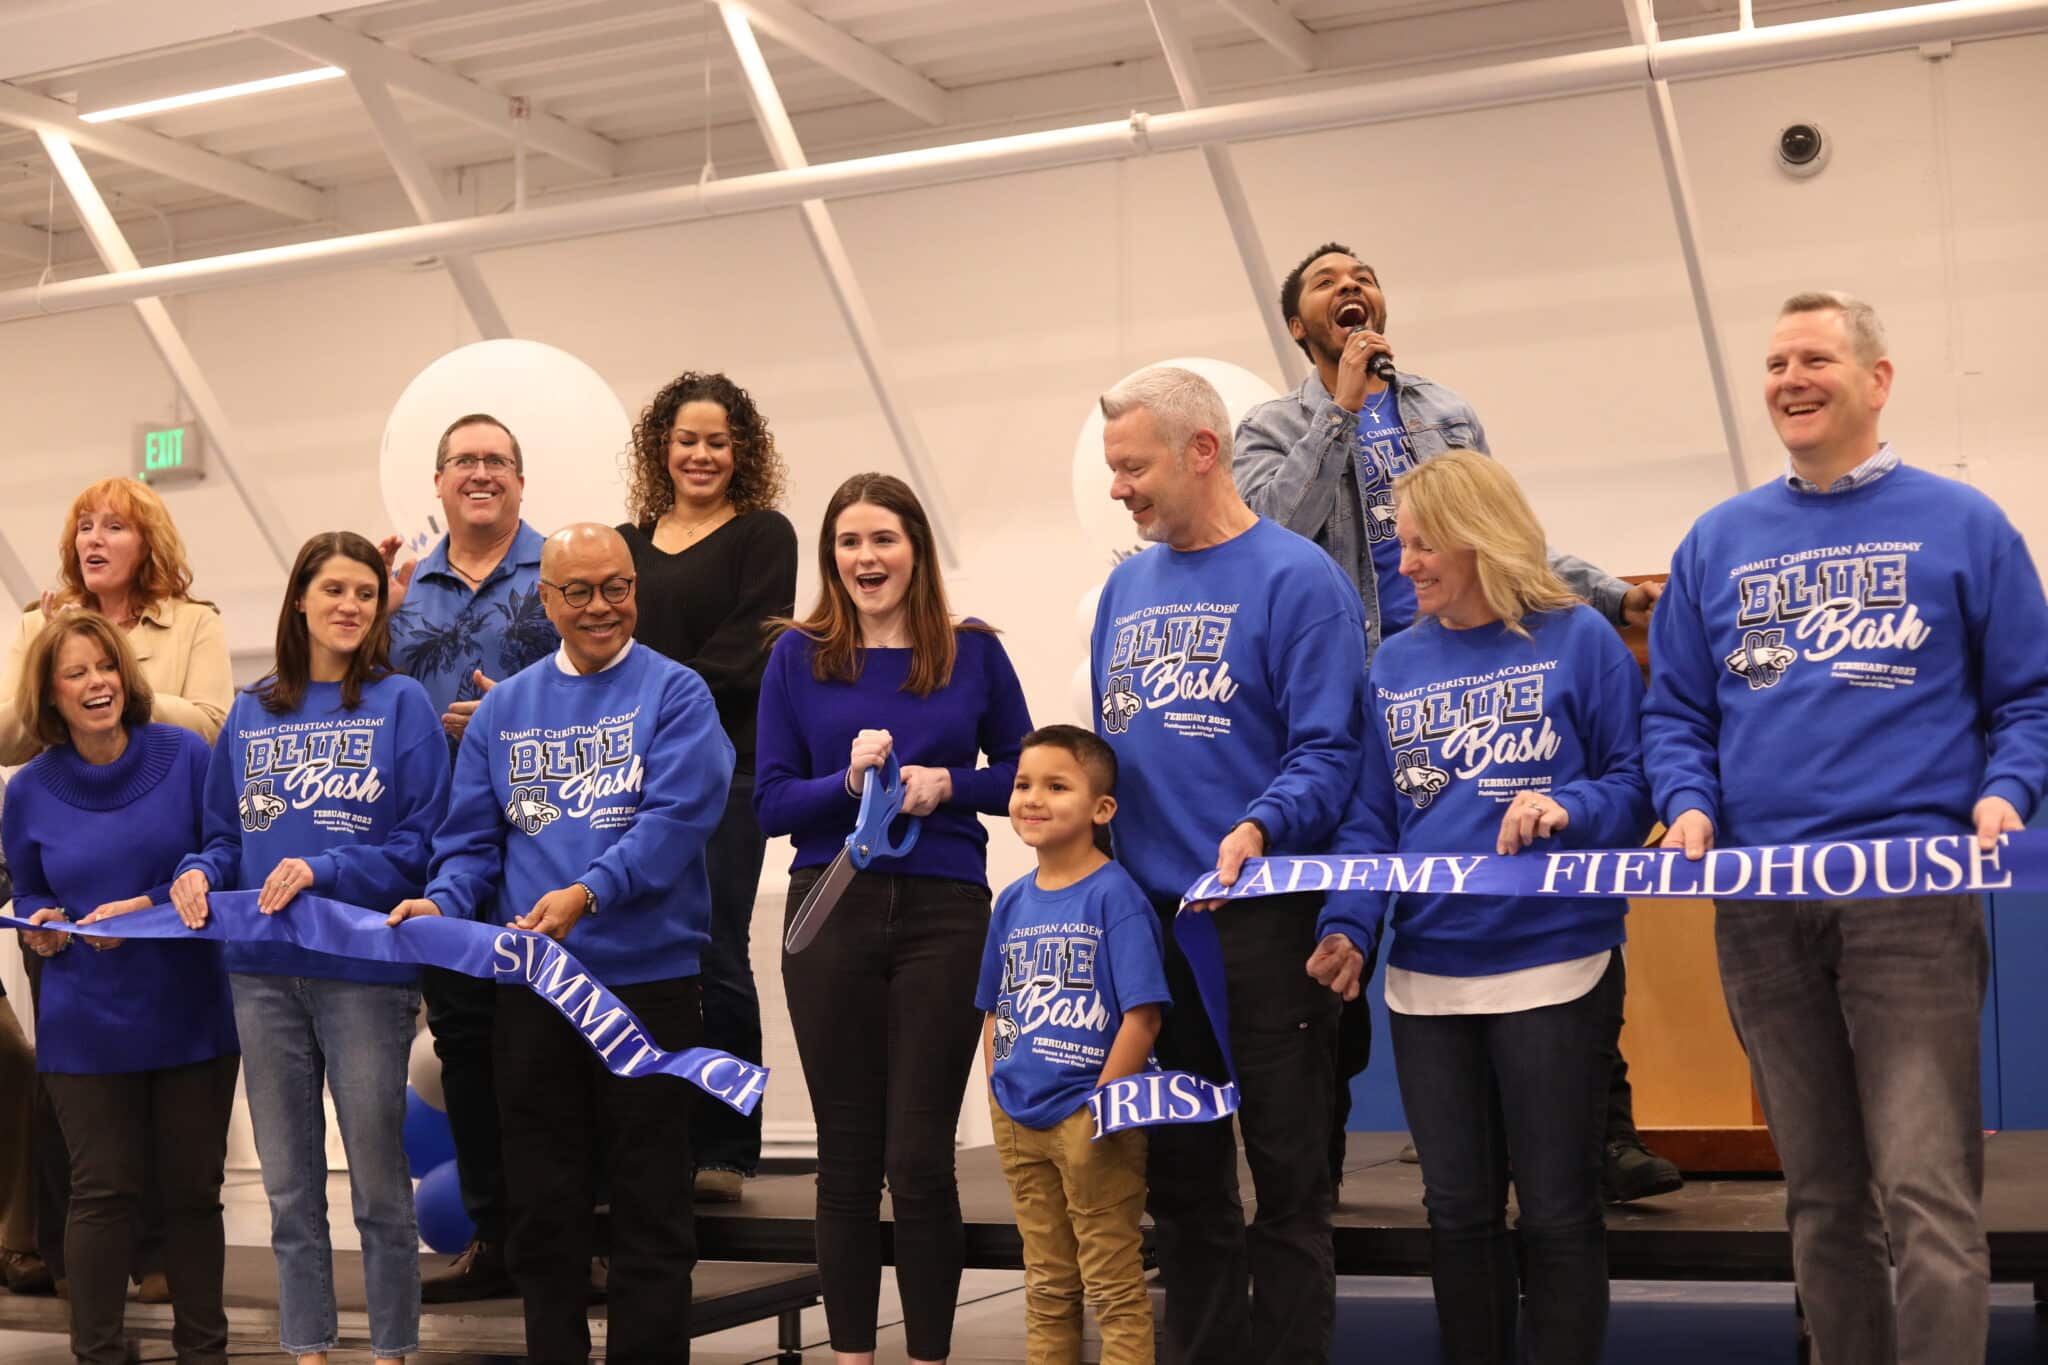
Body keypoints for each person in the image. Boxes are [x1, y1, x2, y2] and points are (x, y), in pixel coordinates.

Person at [1643, 291, 2048, 1365]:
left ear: (1876, 380)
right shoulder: (1714, 542)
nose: (1788, 379)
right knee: (1819, 1200)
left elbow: (2026, 697)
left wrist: (2006, 790)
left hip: (1911, 905)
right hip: (1759, 909)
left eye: (1814, 358)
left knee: (1926, 1195)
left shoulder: (1964, 524)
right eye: (1774, 362)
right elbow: (1676, 711)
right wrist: (1685, 804)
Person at [1234, 243, 1677, 1203]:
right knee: (1355, 908)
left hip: (1491, 660)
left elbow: (1508, 533)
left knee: (1552, 890)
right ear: (1297, 324)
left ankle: (1595, 1134)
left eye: (1363, 274)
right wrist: (1342, 413)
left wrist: (1606, 597)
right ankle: (1327, 1159)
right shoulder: (1272, 425)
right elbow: (1270, 528)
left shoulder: (1443, 411)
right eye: (1326, 283)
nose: (1351, 287)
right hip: (1365, 683)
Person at [388, 524, 733, 1365]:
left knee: (651, 1206)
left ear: (635, 590)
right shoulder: (505, 709)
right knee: (544, 1210)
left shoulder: (678, 694)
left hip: (647, 988)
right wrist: (438, 903)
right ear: (546, 600)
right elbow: (470, 841)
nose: (599, 607)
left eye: (615, 587)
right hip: (535, 994)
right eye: (577, 591)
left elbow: (677, 819)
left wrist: (589, 891)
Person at [1089, 366, 1378, 1364]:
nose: (1118, 489)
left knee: (1288, 1187)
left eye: (1131, 468)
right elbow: (1107, 758)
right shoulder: (1121, 589)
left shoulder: (1301, 581)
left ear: (1200, 452)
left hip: (1264, 928)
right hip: (1153, 939)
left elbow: (1329, 750)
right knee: (1181, 1193)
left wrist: (1259, 826)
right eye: (1111, 470)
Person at [1360, 450, 1650, 1364]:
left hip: (1557, 965)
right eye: (1400, 544)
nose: (1404, 563)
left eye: (1421, 544)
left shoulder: (1579, 639)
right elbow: (1371, 817)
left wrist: (1570, 808)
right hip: (1426, 979)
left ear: (1479, 538)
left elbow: (1636, 784)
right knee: (1458, 1212)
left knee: (1561, 1208)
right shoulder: (1392, 663)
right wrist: (1342, 929)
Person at [754, 472, 1032, 1365]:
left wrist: (951, 782)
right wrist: (842, 779)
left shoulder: (973, 652)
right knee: (845, 1158)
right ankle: (851, 1357)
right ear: (830, 556)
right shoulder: (795, 656)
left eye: (883, 540)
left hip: (946, 910)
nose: (866, 559)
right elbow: (768, 803)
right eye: (848, 543)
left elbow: (1028, 774)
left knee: (919, 1156)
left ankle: (928, 1356)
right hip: (831, 907)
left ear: (916, 547)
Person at [168, 532, 449, 1365]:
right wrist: (193, 871)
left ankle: (393, 1349)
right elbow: (223, 837)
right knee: (290, 1192)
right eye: (333, 589)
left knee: (376, 1189)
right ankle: (308, 1348)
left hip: (366, 976)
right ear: (299, 598)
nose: (350, 605)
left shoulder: (402, 706)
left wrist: (324, 866)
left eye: (366, 592)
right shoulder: (254, 709)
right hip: (260, 977)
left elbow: (422, 842)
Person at [0, 474, 229, 1301]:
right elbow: (9, 732)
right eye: (84, 526)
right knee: (82, 1110)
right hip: (66, 873)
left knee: (178, 1121)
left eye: (116, 527)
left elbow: (209, 722)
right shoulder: (37, 620)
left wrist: (113, 683)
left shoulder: (194, 622)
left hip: (171, 901)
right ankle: (73, 1266)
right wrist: (51, 655)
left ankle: (160, 1261)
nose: (95, 539)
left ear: (149, 544)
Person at [384, 412, 559, 1301]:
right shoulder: (405, 587)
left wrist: (506, 715)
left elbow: (600, 677)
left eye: (497, 460)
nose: (481, 472)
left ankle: (563, 1244)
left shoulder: (561, 570)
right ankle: (493, 1236)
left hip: (548, 841)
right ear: (441, 482)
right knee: (463, 1042)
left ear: (521, 482)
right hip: (437, 844)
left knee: (553, 1048)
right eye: (464, 461)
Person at [618, 372, 798, 1202]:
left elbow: (750, 644)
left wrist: (649, 693)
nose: (701, 454)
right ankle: (650, 1134)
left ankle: (726, 1140)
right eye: (687, 439)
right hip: (624, 772)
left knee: (715, 945)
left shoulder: (764, 534)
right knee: (636, 949)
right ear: (663, 447)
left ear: (742, 451)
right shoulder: (625, 541)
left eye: (718, 441)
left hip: (725, 767)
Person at [978, 724, 1167, 1365]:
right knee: (1048, 1285)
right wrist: (998, 1089)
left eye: (1057, 786)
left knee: (1112, 1288)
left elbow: (1142, 1016)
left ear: (1101, 808)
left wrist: (1104, 1108)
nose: (1033, 798)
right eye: (1023, 784)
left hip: (1091, 1122)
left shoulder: (1116, 897)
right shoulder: (1010, 902)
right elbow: (995, 1007)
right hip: (1019, 1118)